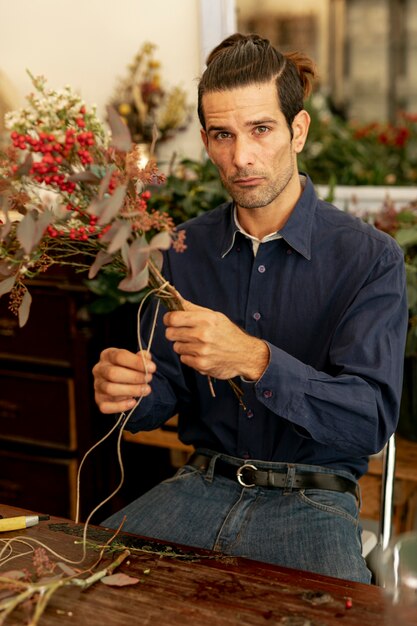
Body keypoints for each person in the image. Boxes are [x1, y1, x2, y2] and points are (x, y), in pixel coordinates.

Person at [93, 33, 408, 583]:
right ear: (208, 140)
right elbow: (159, 396)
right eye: (223, 135)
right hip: (197, 488)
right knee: (78, 587)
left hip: (312, 505)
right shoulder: (179, 252)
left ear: (298, 130)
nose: (241, 157)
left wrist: (256, 359)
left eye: (261, 129)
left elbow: (369, 421)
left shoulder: (368, 257)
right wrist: (126, 391)